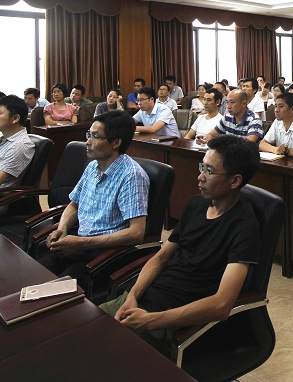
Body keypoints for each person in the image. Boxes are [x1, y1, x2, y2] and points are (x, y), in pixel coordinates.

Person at [99, 134, 260, 349]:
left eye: (209, 171)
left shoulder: (244, 226)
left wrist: (150, 321)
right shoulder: (196, 204)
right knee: (80, 329)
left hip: (171, 322)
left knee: (101, 354)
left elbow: (222, 304)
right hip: (139, 303)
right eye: (202, 167)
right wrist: (132, 297)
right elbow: (161, 258)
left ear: (235, 181)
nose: (200, 177)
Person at [39, 110, 149, 283]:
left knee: (55, 289)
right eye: (88, 134)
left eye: (96, 137)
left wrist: (82, 243)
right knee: (32, 273)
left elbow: (136, 233)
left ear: (116, 142)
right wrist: (62, 228)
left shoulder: (132, 176)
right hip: (79, 243)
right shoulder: (92, 167)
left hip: (104, 254)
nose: (87, 142)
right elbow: (74, 204)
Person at [259, 92, 293, 158]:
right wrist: (276, 150)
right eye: (276, 106)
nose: (276, 110)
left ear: (292, 109)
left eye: (281, 106)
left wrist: (285, 151)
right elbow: (262, 144)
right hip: (283, 161)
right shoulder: (277, 122)